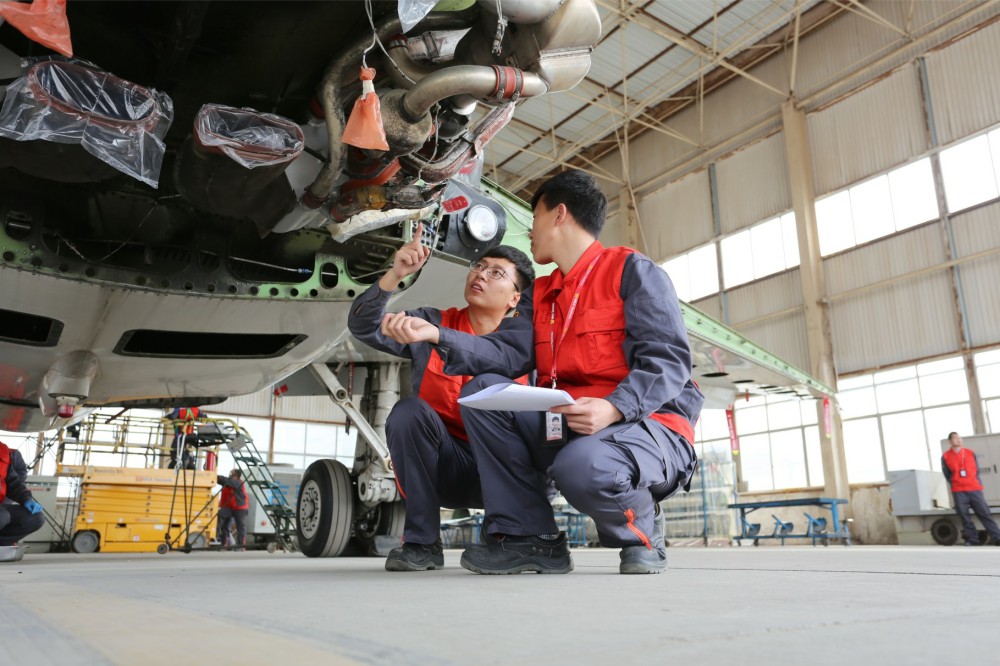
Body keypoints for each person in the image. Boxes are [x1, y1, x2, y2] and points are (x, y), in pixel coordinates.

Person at [381, 170, 703, 575]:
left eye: (533, 219)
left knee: (583, 465)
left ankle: (641, 533)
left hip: (647, 425)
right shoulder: (543, 294)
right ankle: (529, 538)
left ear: (558, 215)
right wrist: (436, 334)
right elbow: (503, 353)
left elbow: (669, 362)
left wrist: (613, 408)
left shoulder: (632, 272)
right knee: (485, 392)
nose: (529, 233)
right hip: (570, 421)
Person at [349, 224, 535, 571]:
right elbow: (363, 328)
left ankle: (511, 538)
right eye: (478, 267)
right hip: (445, 469)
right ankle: (421, 543)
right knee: (408, 412)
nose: (481, 275)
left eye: (496, 273)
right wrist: (395, 274)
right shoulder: (431, 324)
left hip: (506, 473)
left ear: (515, 298)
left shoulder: (528, 347)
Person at [941, 432, 1000, 546]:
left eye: (960, 438)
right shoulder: (945, 457)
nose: (958, 440)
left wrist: (974, 481)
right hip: (959, 491)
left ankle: (997, 537)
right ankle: (973, 539)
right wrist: (955, 483)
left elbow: (976, 470)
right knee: (964, 516)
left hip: (974, 489)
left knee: (985, 513)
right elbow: (947, 474)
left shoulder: (970, 453)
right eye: (955, 438)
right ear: (950, 442)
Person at [0, 440, 45, 561]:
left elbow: (13, 483)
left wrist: (26, 500)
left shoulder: (3, 452)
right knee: (2, 516)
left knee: (35, 518)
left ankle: (2, 543)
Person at [216, 469, 249, 550]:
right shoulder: (230, 482)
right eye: (230, 473)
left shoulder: (238, 482)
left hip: (240, 508)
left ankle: (241, 546)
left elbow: (224, 480)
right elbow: (222, 481)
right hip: (230, 507)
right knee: (224, 523)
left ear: (237, 476)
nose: (230, 475)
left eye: (232, 474)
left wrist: (215, 476)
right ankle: (224, 544)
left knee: (240, 527)